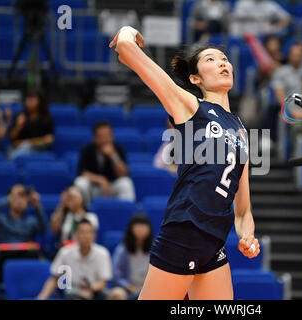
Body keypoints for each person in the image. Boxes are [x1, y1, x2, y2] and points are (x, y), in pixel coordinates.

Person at [110, 26, 260, 300]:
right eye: (211, 60)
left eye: (224, 59)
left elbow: (243, 210)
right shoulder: (190, 106)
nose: (222, 63)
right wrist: (128, 31)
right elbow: (126, 50)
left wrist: (247, 236)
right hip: (185, 231)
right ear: (195, 78)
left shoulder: (241, 130)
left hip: (214, 240)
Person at [37, 219, 112, 300]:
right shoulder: (65, 252)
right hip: (74, 293)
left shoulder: (102, 253)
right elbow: (54, 278)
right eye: (82, 232)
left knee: (115, 295)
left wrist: (91, 289)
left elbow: (103, 282)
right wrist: (41, 298)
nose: (86, 236)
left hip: (96, 292)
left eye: (89, 232)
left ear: (94, 235)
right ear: (76, 235)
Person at [0, 184, 47, 278]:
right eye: (16, 197)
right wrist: (8, 199)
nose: (19, 200)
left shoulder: (31, 221)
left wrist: (37, 205)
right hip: (3, 258)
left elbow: (44, 229)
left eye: (23, 197)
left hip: (26, 258)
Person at [74, 120, 135, 204]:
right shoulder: (87, 150)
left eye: (108, 136)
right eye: (101, 136)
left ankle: (126, 213)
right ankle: (86, 212)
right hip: (93, 187)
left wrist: (113, 156)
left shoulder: (119, 149)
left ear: (112, 137)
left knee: (126, 183)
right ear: (95, 138)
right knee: (80, 182)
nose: (105, 140)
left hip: (112, 187)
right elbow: (82, 172)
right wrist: (100, 180)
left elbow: (124, 173)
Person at [108, 214, 153, 300]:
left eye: (143, 226)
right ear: (131, 228)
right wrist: (129, 286)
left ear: (149, 229)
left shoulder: (155, 249)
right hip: (127, 289)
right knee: (117, 294)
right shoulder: (122, 249)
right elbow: (117, 274)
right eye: (137, 226)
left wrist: (146, 287)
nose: (140, 229)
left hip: (149, 287)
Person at [8, 89, 54, 160]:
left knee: (28, 147)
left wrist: (34, 143)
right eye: (28, 99)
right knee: (20, 149)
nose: (29, 102)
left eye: (32, 100)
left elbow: (50, 139)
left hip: (39, 149)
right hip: (19, 147)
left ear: (40, 101)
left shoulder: (46, 118)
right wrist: (19, 126)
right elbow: (12, 138)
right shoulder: (20, 116)